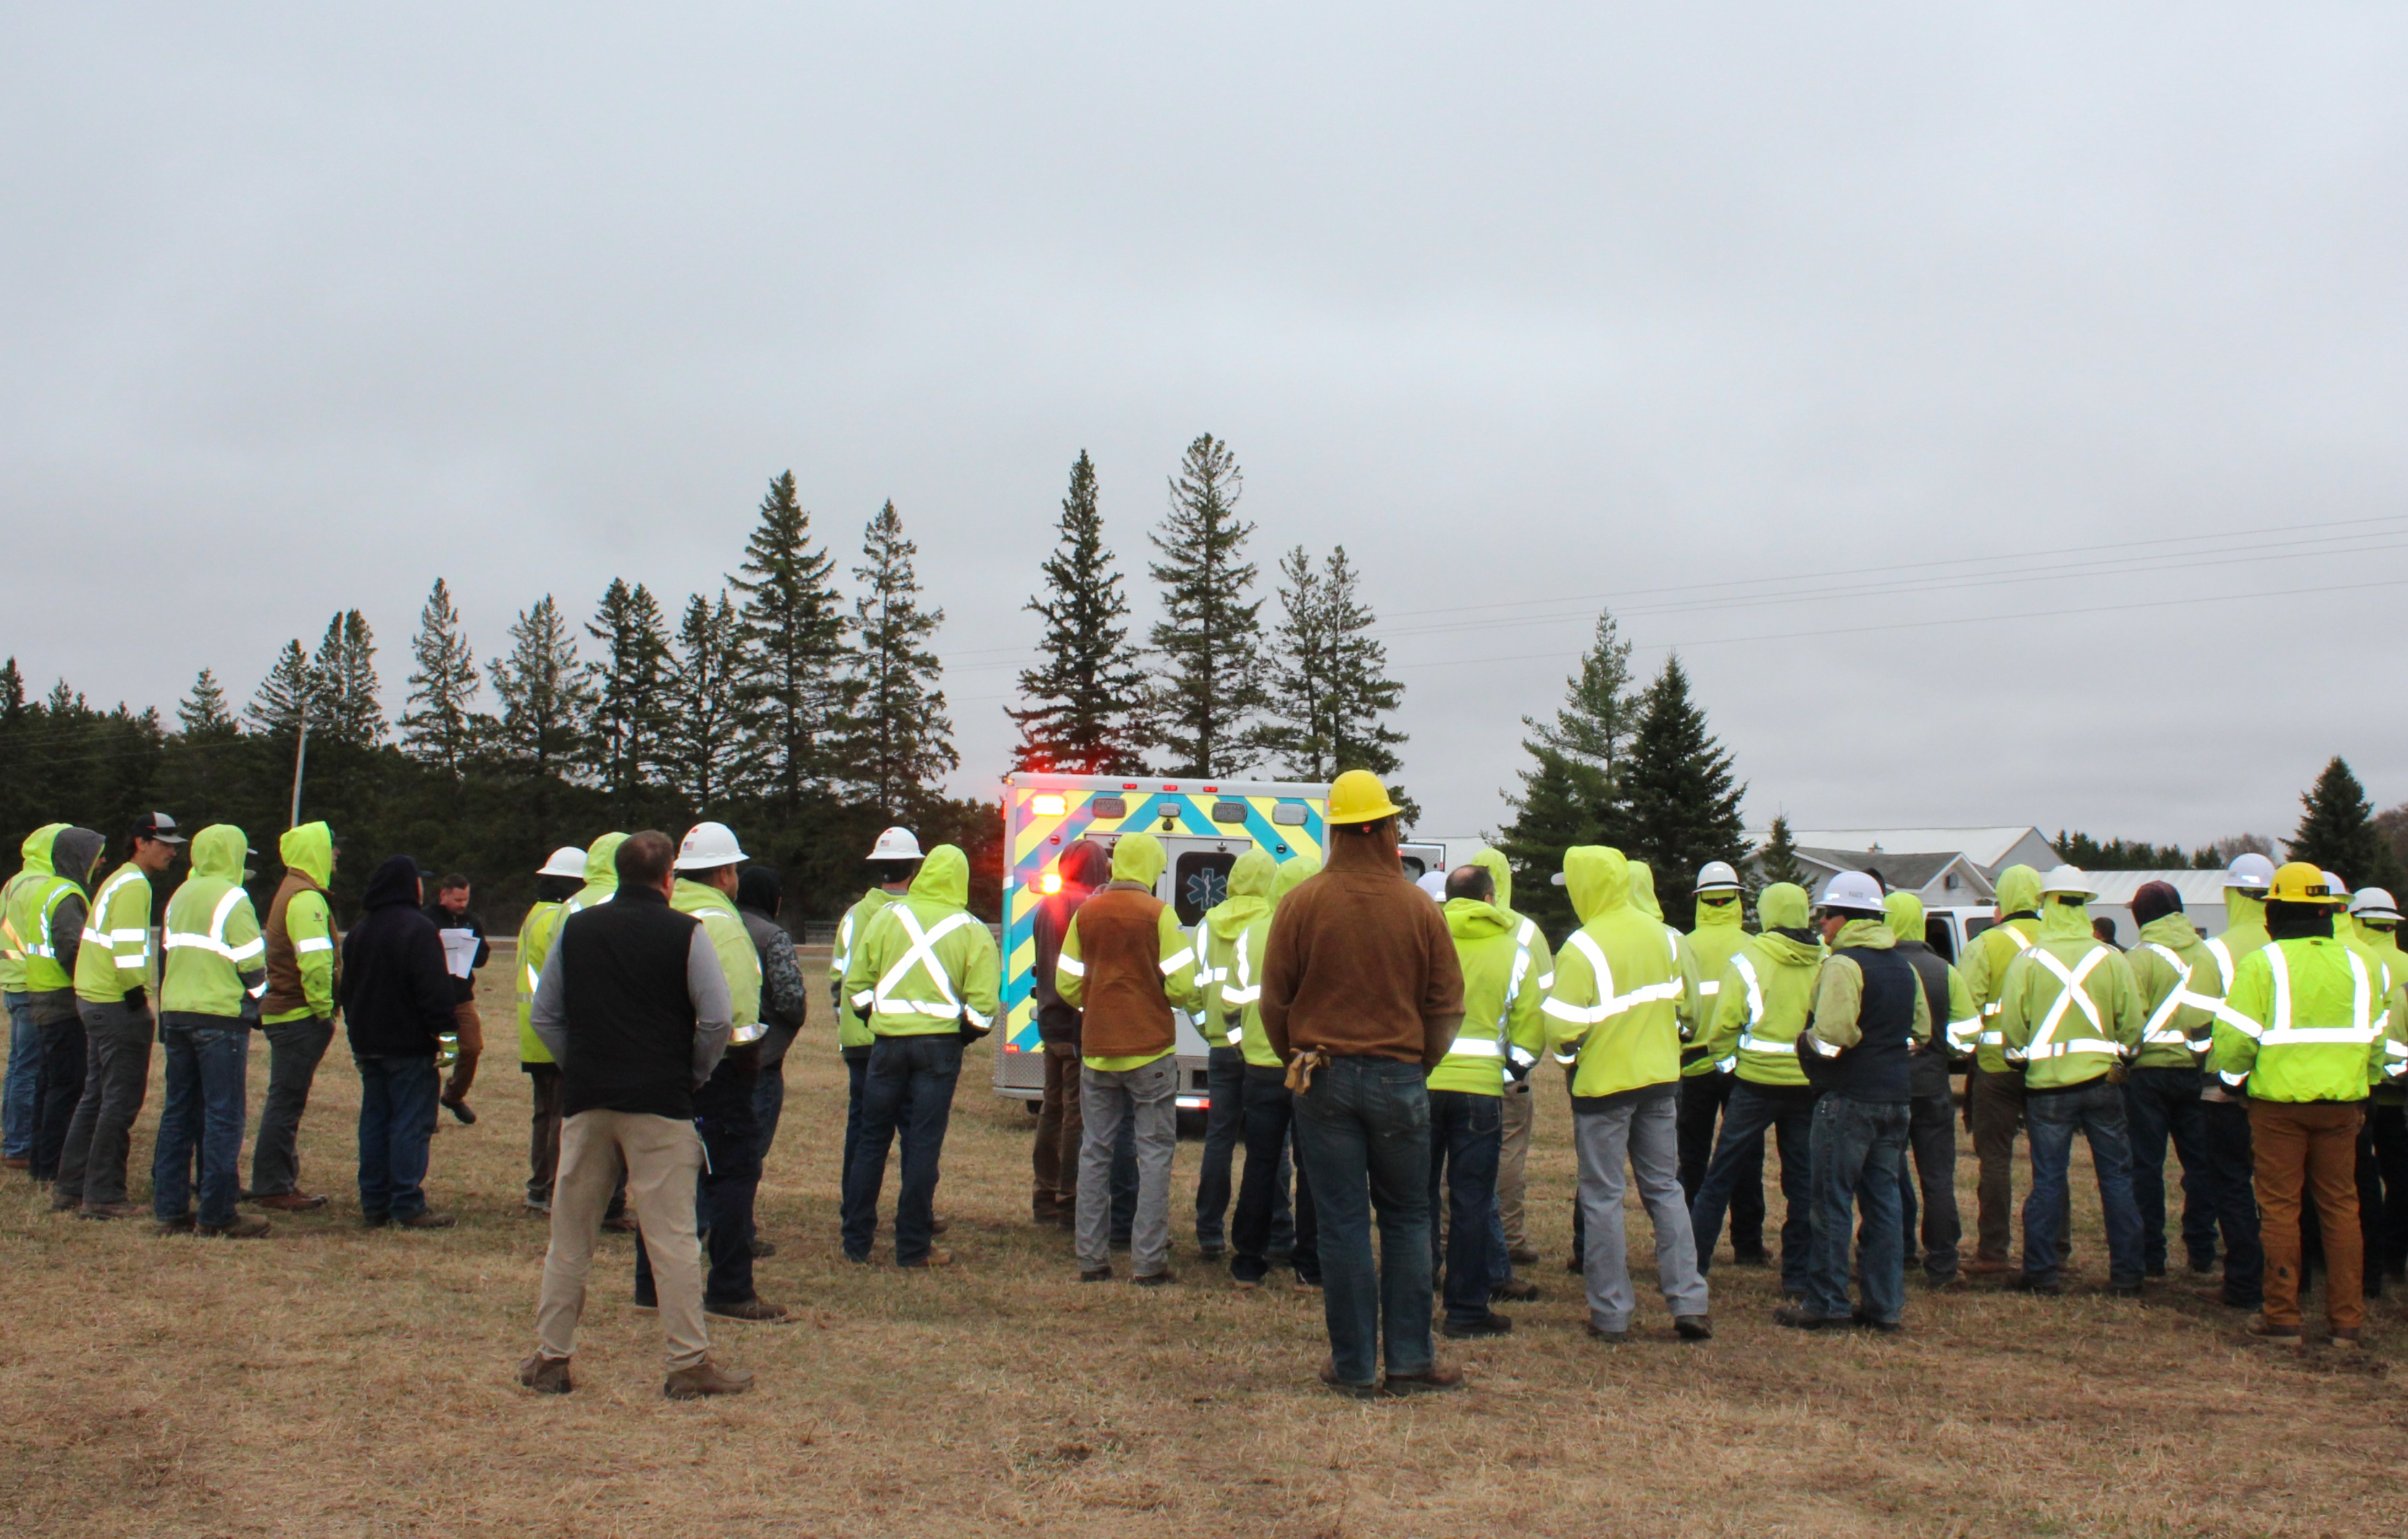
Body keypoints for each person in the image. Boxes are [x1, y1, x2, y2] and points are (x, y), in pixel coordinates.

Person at [521, 830, 750, 1399]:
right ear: (669, 877)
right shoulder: (687, 934)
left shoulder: (575, 930)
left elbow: (546, 1015)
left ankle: (552, 1358)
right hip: (661, 1104)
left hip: (589, 1102)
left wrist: (582, 1067)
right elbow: (719, 1020)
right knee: (672, 1239)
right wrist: (692, 1074)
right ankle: (687, 1363)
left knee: (570, 1237)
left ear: (616, 875)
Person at [1262, 771, 1464, 1396]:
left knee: (1344, 1223)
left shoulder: (1303, 902)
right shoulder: (1418, 908)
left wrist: (1296, 1058)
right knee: (1407, 1218)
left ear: (1340, 832)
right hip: (1400, 1077)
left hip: (1320, 1079)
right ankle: (1409, 1363)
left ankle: (1352, 1368)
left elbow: (1275, 1002)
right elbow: (1447, 1004)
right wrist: (1416, 1064)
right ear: (1379, 830)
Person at [2214, 862, 2403, 1347]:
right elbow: (2377, 1039)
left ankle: (2282, 1317)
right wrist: (2364, 1086)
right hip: (2344, 1105)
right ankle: (2346, 1322)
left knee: (2280, 1209)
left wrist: (2232, 1083)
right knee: (2341, 1207)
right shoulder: (2362, 964)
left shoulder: (2263, 962)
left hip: (2277, 1106)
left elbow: (2235, 1040)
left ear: (2275, 910)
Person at [1548, 847, 1709, 1342]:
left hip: (1602, 1088)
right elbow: (1692, 1010)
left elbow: (1559, 1027)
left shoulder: (1582, 946)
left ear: (1585, 887)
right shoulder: (1666, 936)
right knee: (1665, 1188)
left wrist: (1573, 1054)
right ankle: (1689, 1302)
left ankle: (1611, 1312)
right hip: (1660, 1081)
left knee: (1603, 1197)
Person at [634, 822, 778, 1322]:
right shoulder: (721, 919)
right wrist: (745, 1060)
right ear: (725, 873)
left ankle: (650, 1285)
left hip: (652, 1067)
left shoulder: (659, 909)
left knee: (659, 1176)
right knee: (734, 1172)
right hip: (711, 1070)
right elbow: (736, 1009)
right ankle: (731, 1288)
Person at [1777, 871, 1930, 1331]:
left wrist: (1805, 1042)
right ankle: (1884, 1306)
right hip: (1895, 1098)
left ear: (1844, 919)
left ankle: (1826, 1302)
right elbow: (1921, 1031)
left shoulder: (1843, 964)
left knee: (1831, 1202)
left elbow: (1836, 1035)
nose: (1821, 924)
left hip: (1847, 1099)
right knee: (1884, 1204)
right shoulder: (1902, 966)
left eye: (1825, 915)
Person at [840, 843, 998, 1269]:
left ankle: (855, 1240)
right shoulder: (972, 929)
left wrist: (875, 1017)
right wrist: (960, 1037)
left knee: (871, 1141)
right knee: (922, 1145)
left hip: (886, 1045)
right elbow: (984, 1006)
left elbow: (856, 984)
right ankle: (912, 1246)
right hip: (939, 1048)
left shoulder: (888, 917)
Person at [1995, 866, 2146, 1298]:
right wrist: (2122, 1059)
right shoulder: (2111, 959)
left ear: (2047, 903)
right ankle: (2127, 1274)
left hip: (2047, 1089)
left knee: (2047, 1180)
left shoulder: (2029, 960)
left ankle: (2041, 1273)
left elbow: (2013, 1028)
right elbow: (2131, 1025)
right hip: (2103, 1081)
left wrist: (2020, 1060)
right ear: (2084, 904)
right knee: (2116, 1179)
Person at [1058, 831, 1201, 1284]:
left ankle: (1091, 1260)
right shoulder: (1160, 915)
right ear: (1153, 868)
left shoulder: (1086, 913)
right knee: (1154, 1153)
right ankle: (1148, 1262)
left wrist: (1096, 1003)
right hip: (1150, 1050)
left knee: (1096, 1152)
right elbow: (1182, 985)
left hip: (1098, 1051)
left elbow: (1066, 982)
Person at [1688, 882, 1823, 1299]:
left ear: (1764, 911)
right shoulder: (1826, 959)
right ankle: (1797, 1276)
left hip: (1754, 1082)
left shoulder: (1748, 960)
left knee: (1720, 1173)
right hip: (1806, 1084)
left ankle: (1691, 1265)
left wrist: (1729, 1068)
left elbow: (1725, 1025)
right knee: (1802, 1182)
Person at [1430, 862, 1546, 1338]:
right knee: (1472, 1201)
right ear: (1491, 899)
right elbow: (1529, 1034)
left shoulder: (1427, 943)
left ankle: (1412, 1300)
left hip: (1422, 1084)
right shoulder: (1514, 952)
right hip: (1481, 1092)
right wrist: (1508, 1069)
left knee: (1416, 1202)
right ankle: (1466, 1309)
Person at [57, 813, 182, 1217]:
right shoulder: (134, 885)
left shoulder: (118, 880)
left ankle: (73, 1189)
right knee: (119, 1101)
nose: (172, 850)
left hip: (94, 999)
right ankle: (104, 1197)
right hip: (115, 1003)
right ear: (140, 843)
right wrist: (138, 999)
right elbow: (128, 951)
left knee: (95, 1098)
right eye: (163, 842)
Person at [152, 824, 270, 1238]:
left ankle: (169, 1208)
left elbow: (167, 953)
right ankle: (218, 1213)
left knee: (178, 1112)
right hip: (219, 1017)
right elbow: (253, 963)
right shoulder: (234, 897)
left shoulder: (180, 894)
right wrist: (259, 999)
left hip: (177, 1011)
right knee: (224, 1115)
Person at [341, 856, 459, 1229]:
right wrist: (449, 1043)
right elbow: (435, 992)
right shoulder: (419, 929)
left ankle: (374, 1201)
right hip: (409, 1047)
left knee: (375, 1121)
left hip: (368, 1044)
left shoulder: (360, 931)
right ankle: (407, 1202)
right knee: (411, 1122)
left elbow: (346, 989)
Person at [1227, 855, 1323, 1293]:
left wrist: (1241, 1044)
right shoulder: (1324, 931)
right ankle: (1310, 1264)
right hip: (1310, 1066)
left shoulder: (1252, 933)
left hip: (1261, 1067)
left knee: (1261, 1163)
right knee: (1313, 1168)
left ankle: (1248, 1260)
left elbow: (1230, 1000)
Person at [2121, 880, 2222, 1280]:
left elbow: (2128, 1022)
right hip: (2196, 1072)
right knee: (2200, 1164)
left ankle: (2151, 1257)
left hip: (2146, 1075)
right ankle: (2201, 1250)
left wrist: (2121, 1064)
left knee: (2145, 1166)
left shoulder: (2137, 960)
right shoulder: (2207, 956)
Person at [1885, 889, 1979, 1289]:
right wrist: (1943, 1051)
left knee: (1885, 1176)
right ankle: (1942, 1262)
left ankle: (1893, 1252)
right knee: (1937, 1179)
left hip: (1887, 1088)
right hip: (1932, 1087)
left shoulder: (1874, 967)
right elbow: (1968, 1034)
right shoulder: (1944, 971)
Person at [1195, 848, 1285, 1262]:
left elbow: (1195, 988)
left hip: (1220, 1044)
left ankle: (1209, 1230)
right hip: (1263, 1049)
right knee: (1270, 1148)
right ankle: (1279, 1234)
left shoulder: (1205, 924)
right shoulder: (1273, 923)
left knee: (1219, 1140)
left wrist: (1210, 1029)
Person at [2193, 851, 2273, 1313]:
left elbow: (2195, 1022)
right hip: (2281, 1089)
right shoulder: (2287, 943)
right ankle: (2288, 1279)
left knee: (2232, 1183)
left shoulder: (2217, 950)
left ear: (2228, 893)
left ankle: (2243, 1279)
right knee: (2282, 1190)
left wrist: (2214, 1069)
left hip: (2225, 1092)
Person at [1676, 860, 1766, 1266]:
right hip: (1741, 1068)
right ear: (1738, 899)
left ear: (1699, 901)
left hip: (1691, 1066)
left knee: (1691, 1158)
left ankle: (1691, 1242)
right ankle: (1747, 1243)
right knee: (1745, 1155)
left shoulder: (1684, 945)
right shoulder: (1753, 946)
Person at [1958, 863, 2046, 1276]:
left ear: (2003, 900)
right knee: (2051, 1162)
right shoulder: (2060, 941)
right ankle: (2055, 1250)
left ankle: (1993, 1250)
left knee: (1995, 1158)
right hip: (2050, 1068)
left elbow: (1966, 1006)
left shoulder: (1985, 945)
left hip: (1995, 1066)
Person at [250, 821, 338, 1213]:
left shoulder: (291, 891)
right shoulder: (306, 899)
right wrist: (324, 1010)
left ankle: (279, 1179)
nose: (336, 855)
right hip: (298, 1014)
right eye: (331, 848)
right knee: (286, 1103)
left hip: (285, 1012)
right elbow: (316, 961)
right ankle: (273, 1184)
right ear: (315, 851)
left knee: (284, 1101)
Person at [1471, 845, 1551, 1275]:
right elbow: (1543, 999)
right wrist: (1520, 1063)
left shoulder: (1446, 924)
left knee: (1452, 1157)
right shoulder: (1527, 932)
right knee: (1507, 1151)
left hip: (1453, 1069)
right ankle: (1510, 1237)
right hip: (1505, 1066)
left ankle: (1449, 1235)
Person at [834, 827, 923, 1206]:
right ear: (915, 867)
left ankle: (853, 1207)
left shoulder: (854, 915)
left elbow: (839, 978)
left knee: (863, 1128)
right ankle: (916, 1213)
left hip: (858, 1039)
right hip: (905, 1037)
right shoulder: (919, 915)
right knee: (914, 1131)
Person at [11, 824, 103, 1185]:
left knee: (48, 1082)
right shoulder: (67, 893)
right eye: (96, 854)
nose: (101, 860)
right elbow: (72, 948)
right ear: (79, 857)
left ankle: (40, 1158)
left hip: (42, 996)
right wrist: (91, 981)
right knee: (67, 1085)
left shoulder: (47, 889)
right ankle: (52, 1164)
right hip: (63, 1002)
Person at [556, 832, 636, 1232]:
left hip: (577, 1026)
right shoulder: (625, 901)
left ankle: (580, 1207)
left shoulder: (570, 904)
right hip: (618, 1027)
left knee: (581, 1128)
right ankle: (612, 1203)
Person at [1030, 837, 1110, 1227]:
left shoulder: (1047, 905)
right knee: (1077, 1117)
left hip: (1049, 1022)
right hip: (1079, 1025)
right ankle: (1069, 1201)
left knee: (1051, 1110)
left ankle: (1043, 1196)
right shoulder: (1090, 907)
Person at [515, 845, 590, 1213]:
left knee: (544, 1115)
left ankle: (537, 1187)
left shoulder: (533, 915)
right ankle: (550, 1190)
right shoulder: (557, 918)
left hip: (532, 1036)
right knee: (560, 1117)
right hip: (553, 1032)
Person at [735, 865, 809, 1228]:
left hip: (713, 1054)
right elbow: (791, 998)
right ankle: (738, 1225)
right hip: (760, 1058)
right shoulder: (771, 935)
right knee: (750, 1148)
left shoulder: (718, 925)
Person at [2347, 888, 2408, 1286]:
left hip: (2362, 1089)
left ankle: (2360, 1260)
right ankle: (2392, 1258)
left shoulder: (2354, 962)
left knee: (2355, 1180)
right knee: (2400, 1178)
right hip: (2401, 1096)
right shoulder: (2405, 964)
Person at [1, 823, 70, 1171]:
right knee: (32, 1069)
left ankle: (13, 1140)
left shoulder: (16, 881)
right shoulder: (45, 886)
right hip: (34, 985)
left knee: (19, 1067)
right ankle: (20, 1145)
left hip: (12, 982)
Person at [424, 874, 490, 1125]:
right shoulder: (426, 919)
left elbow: (483, 957)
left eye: (466, 899)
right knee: (430, 1055)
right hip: (431, 997)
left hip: (461, 998)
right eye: (457, 899)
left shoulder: (471, 922)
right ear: (444, 895)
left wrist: (469, 950)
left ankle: (453, 1096)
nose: (462, 904)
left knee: (472, 1048)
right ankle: (425, 1112)